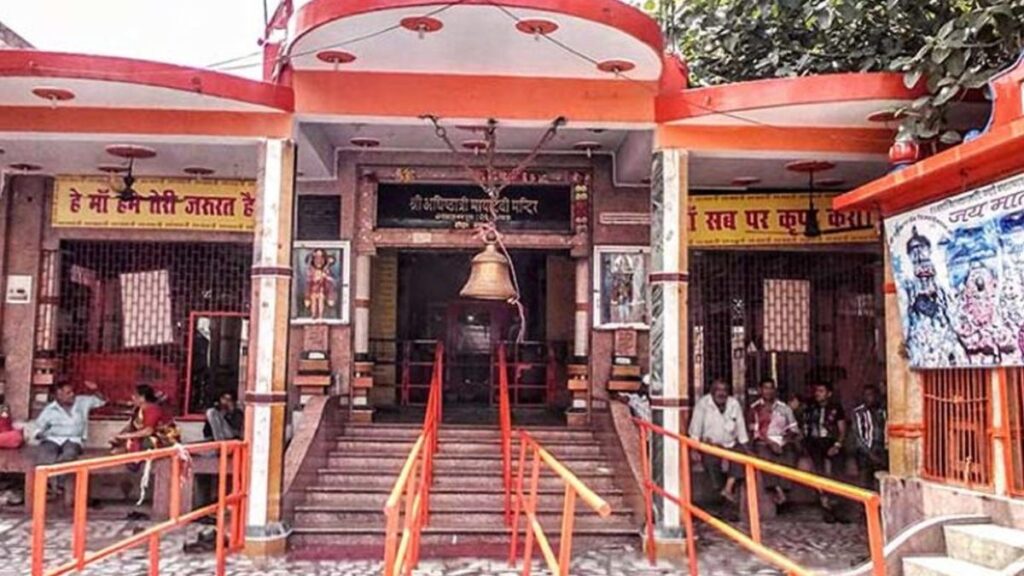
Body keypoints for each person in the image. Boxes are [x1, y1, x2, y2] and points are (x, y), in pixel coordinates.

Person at [34, 380, 105, 494]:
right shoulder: (49, 409)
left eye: (72, 392)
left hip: (73, 439)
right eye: (68, 393)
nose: (72, 395)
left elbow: (102, 401)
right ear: (59, 395)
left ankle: (56, 484)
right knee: (46, 453)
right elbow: (38, 428)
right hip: (53, 438)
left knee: (69, 453)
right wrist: (40, 434)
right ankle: (48, 485)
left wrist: (95, 389)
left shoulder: (82, 402)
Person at [688, 379, 749, 505]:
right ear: (712, 391)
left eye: (724, 390)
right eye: (718, 390)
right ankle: (721, 492)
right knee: (712, 462)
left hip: (730, 444)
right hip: (711, 445)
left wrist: (746, 446)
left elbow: (741, 429)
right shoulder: (703, 404)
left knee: (741, 456)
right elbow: (695, 429)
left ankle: (727, 488)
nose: (721, 393)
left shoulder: (734, 404)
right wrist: (694, 449)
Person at [748, 379, 801, 505]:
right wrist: (770, 443)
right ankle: (778, 490)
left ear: (775, 390)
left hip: (782, 441)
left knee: (789, 456)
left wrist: (784, 440)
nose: (768, 391)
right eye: (765, 388)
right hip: (763, 441)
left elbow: (794, 429)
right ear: (760, 390)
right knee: (766, 458)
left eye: (771, 388)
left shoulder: (784, 408)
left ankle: (783, 489)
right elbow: (754, 431)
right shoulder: (754, 408)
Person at [803, 381, 848, 521]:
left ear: (829, 394)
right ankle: (825, 504)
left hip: (830, 441)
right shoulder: (810, 407)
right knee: (819, 468)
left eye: (821, 391)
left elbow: (842, 430)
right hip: (814, 442)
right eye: (817, 391)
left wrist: (837, 445)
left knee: (839, 465)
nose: (818, 394)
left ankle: (837, 503)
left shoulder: (836, 408)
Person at [110, 384, 178, 454]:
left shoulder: (152, 410)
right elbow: (133, 425)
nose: (132, 397)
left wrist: (126, 436)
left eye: (135, 395)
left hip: (164, 438)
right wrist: (119, 436)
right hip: (149, 435)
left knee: (137, 443)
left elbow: (148, 431)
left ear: (142, 398)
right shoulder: (139, 409)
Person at [852, 384, 887, 490]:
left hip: (881, 449)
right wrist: (870, 453)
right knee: (865, 480)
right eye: (866, 395)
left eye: (872, 395)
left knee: (882, 479)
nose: (869, 397)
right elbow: (858, 437)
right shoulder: (858, 412)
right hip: (865, 451)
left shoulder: (883, 410)